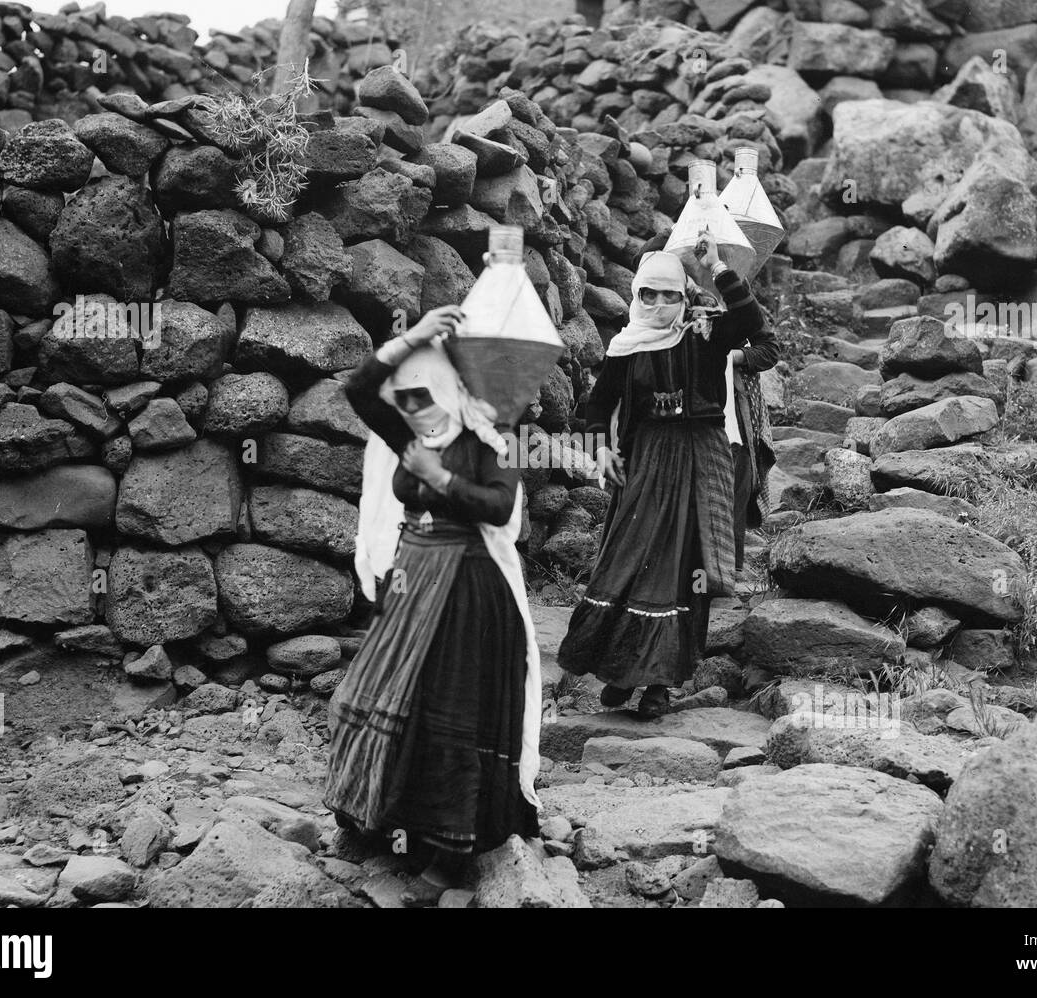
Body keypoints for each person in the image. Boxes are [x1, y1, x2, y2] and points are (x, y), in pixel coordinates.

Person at [323, 305, 542, 906]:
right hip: (411, 576)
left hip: (470, 590)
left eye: (425, 397)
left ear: (451, 389)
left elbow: (498, 508)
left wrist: (440, 480)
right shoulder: (413, 431)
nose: (415, 409)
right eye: (408, 400)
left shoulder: (487, 439)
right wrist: (413, 339)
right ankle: (380, 822)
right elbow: (358, 388)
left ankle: (449, 855)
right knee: (381, 697)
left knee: (449, 714)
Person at [557, 240, 777, 717]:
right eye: (649, 295)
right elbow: (597, 407)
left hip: (701, 461)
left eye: (669, 295)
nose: (658, 305)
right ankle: (620, 669)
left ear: (684, 297)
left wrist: (717, 265)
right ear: (637, 296)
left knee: (686, 570)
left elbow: (755, 327)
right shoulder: (625, 345)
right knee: (628, 561)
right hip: (645, 463)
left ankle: (659, 684)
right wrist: (600, 451)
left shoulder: (705, 334)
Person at [633, 234, 777, 572]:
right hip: (677, 407)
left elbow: (767, 346)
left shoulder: (731, 294)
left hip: (730, 406)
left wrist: (731, 355)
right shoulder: (661, 298)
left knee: (734, 477)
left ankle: (725, 573)